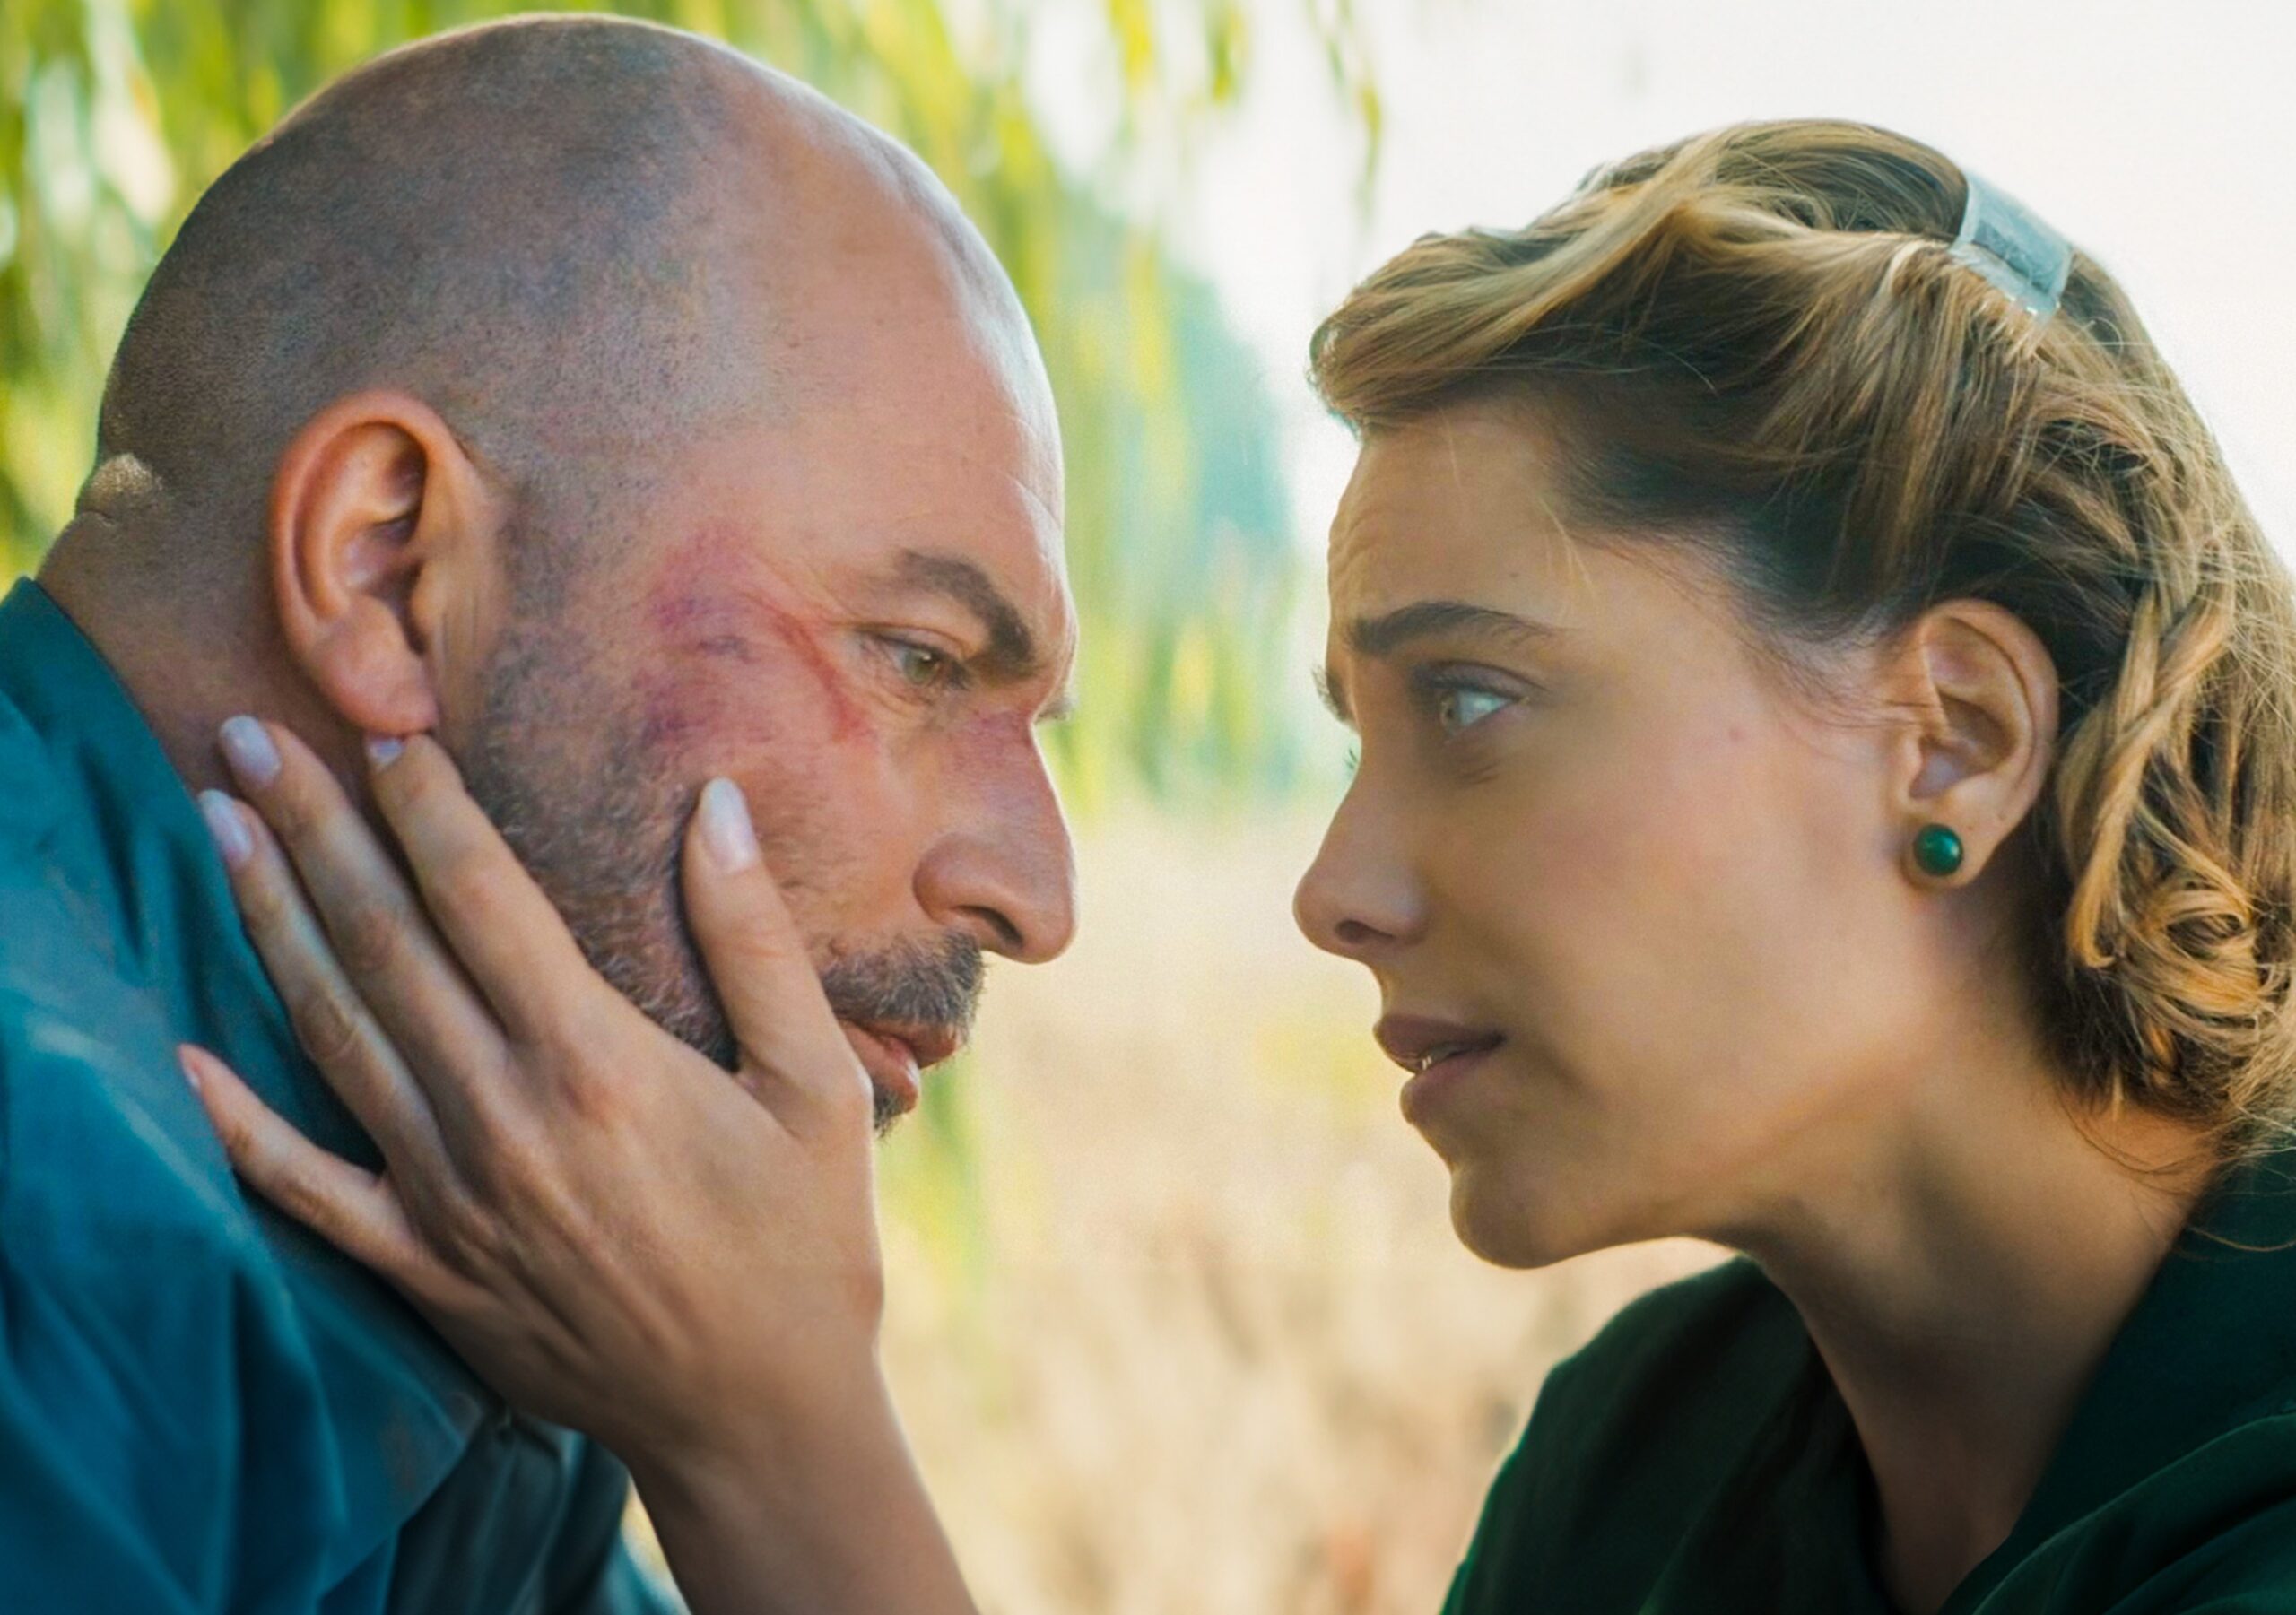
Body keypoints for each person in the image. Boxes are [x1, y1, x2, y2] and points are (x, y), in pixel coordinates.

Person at [187, 121, 2296, 1613]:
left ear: (1954, 737)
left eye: (1470, 699)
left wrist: (767, 1442)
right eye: (1352, 733)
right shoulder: (1645, 1458)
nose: (1333, 889)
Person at [2, 13, 1075, 1611]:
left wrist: (769, 1434)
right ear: (390, 565)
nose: (1041, 896)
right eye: (916, 658)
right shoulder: (60, 1238)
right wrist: (776, 1453)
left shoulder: (497, 1243)